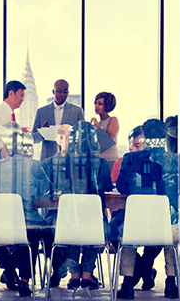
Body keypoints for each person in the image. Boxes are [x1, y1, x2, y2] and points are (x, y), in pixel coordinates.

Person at [115, 119, 180, 299]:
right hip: (164, 223)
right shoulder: (175, 160)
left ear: (144, 135)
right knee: (170, 237)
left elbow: (121, 187)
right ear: (165, 135)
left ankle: (128, 284)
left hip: (138, 223)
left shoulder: (130, 158)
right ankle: (171, 284)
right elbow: (176, 191)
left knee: (127, 233)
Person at [42, 121, 112, 292]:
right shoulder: (101, 163)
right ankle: (87, 274)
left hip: (66, 222)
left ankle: (74, 275)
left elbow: (47, 190)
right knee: (91, 226)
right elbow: (107, 187)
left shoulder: (57, 163)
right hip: (94, 224)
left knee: (72, 223)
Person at [0, 121, 53, 297]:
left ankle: (10, 269)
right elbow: (45, 190)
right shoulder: (33, 165)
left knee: (19, 236)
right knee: (34, 235)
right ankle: (25, 281)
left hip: (2, 224)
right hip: (27, 222)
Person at [32, 79, 85, 161]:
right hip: (47, 160)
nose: (62, 95)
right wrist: (42, 132)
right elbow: (33, 139)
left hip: (70, 160)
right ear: (53, 92)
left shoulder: (77, 111)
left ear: (68, 93)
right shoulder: (41, 112)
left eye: (65, 92)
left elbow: (83, 136)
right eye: (59, 91)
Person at [0, 80, 28, 154]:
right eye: (21, 95)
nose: (23, 99)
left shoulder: (12, 115)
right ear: (11, 94)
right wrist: (12, 130)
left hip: (10, 157)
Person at [90, 92, 119, 169]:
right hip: (98, 161)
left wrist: (97, 125)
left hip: (111, 161)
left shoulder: (113, 119)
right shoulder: (95, 124)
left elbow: (108, 139)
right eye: (95, 103)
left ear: (107, 106)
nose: (96, 106)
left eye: (100, 104)